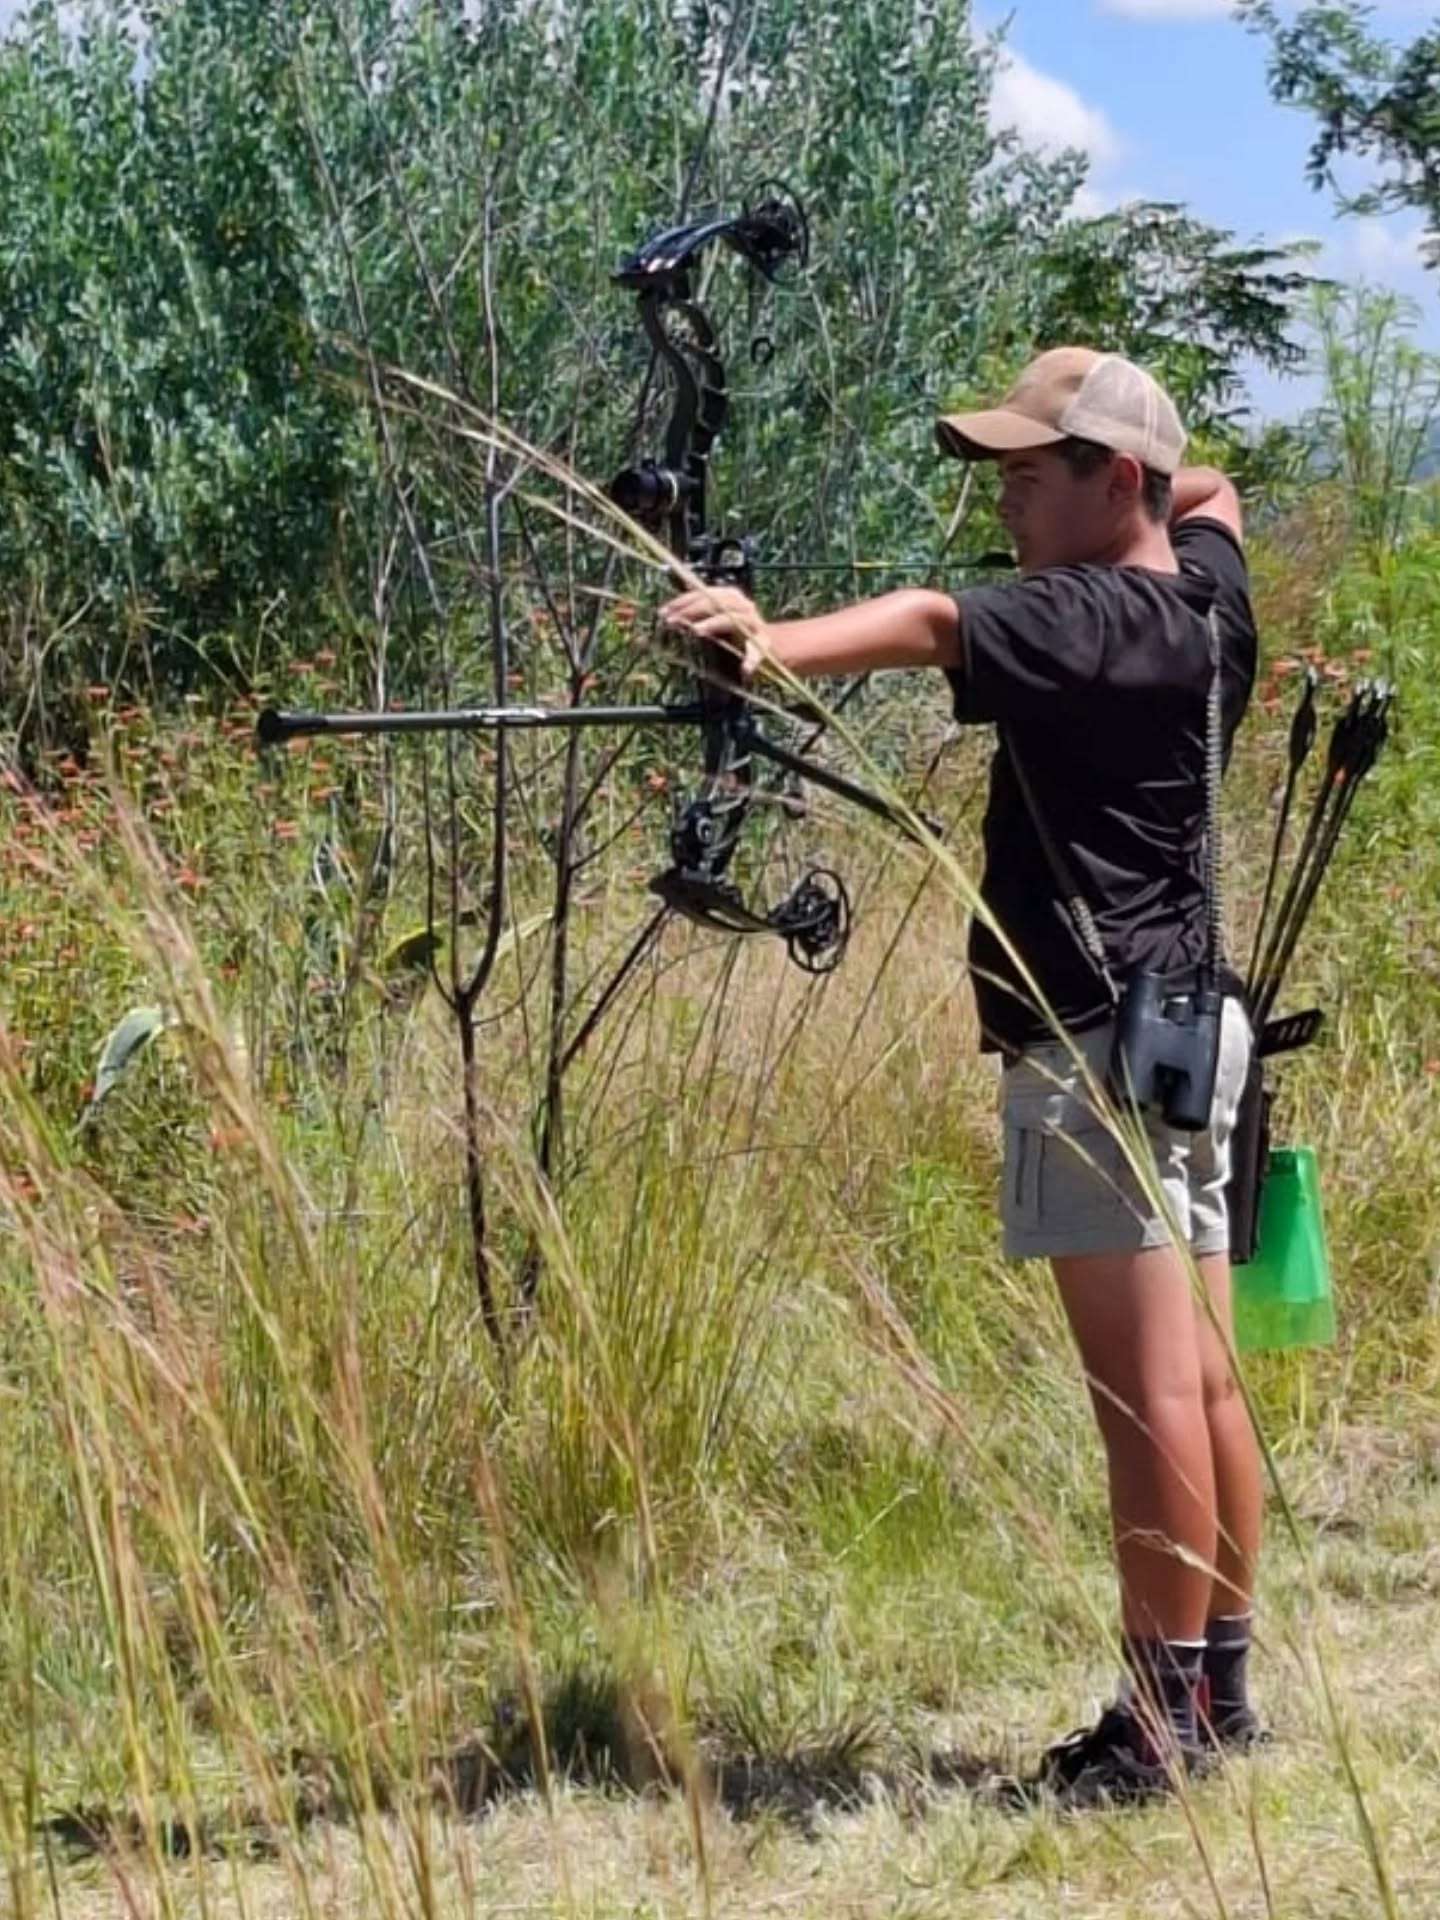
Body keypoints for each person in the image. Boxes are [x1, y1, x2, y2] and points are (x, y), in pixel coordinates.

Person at [661, 347, 1265, 1808]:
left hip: (1095, 1037)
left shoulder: (1089, 614)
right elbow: (1219, 494)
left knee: (1146, 1397)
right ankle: (1219, 1689)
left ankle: (1157, 1729)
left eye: (1029, 474)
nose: (1004, 502)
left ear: (1111, 481)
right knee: (1203, 1378)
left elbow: (937, 623)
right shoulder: (1205, 600)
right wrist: (1154, 487)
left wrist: (768, 642)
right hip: (1188, 1027)